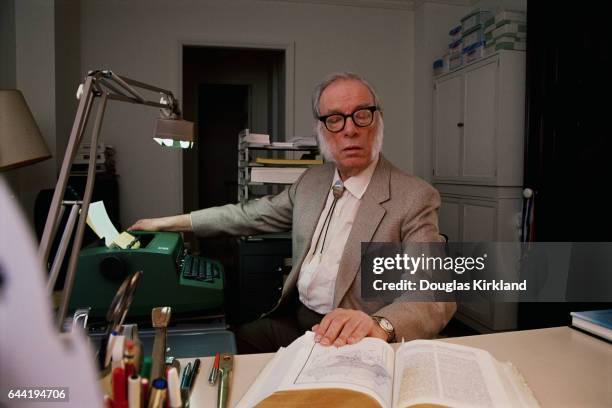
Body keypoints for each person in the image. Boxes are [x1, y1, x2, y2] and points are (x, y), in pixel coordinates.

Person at [130, 72, 456, 353]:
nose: (350, 129)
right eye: (335, 119)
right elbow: (248, 215)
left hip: (354, 338)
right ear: (322, 130)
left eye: (361, 115)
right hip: (297, 322)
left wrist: (379, 325)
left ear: (378, 120)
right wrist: (169, 223)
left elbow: (436, 294)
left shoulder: (413, 196)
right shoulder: (312, 181)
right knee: (226, 346)